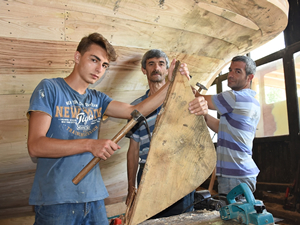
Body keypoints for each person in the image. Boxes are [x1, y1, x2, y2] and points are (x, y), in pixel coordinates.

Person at [27, 33, 195, 225]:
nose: (99, 69)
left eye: (105, 65)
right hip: (56, 198)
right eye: (94, 60)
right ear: (77, 57)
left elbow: (135, 111)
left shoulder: (98, 99)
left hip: (95, 197)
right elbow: (36, 145)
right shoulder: (50, 89)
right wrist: (90, 144)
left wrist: (173, 82)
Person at [126, 49, 194, 218]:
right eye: (151, 64)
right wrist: (131, 187)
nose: (156, 67)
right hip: (148, 174)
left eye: (161, 63)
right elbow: (133, 151)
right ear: (144, 70)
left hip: (178, 172)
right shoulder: (137, 107)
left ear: (167, 70)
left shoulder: (181, 98)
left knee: (181, 220)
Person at [190, 55, 260, 196]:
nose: (230, 75)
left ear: (250, 77)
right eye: (230, 70)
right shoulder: (253, 102)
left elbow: (199, 98)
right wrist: (204, 115)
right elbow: (221, 127)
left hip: (234, 175)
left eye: (237, 71)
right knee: (242, 215)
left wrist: (185, 85)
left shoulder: (234, 97)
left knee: (234, 216)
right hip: (243, 173)